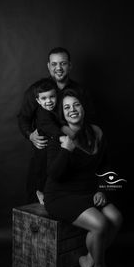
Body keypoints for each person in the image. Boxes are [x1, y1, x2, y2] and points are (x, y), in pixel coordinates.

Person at [43, 89, 123, 267]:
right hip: (60, 195)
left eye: (76, 105)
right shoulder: (58, 138)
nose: (72, 110)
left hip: (87, 191)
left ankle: (87, 259)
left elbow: (105, 166)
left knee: (116, 217)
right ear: (62, 113)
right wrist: (66, 149)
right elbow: (54, 175)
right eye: (67, 107)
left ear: (83, 107)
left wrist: (103, 189)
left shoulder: (96, 132)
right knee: (100, 223)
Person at [17, 47, 96, 203]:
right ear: (48, 66)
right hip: (44, 154)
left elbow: (89, 120)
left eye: (63, 63)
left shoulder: (80, 91)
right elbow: (23, 118)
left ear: (70, 66)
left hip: (73, 155)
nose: (58, 68)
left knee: (68, 199)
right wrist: (30, 135)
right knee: (39, 199)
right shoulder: (36, 90)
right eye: (54, 64)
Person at [33, 78, 75, 204]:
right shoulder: (42, 113)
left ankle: (55, 191)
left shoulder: (57, 110)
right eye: (44, 99)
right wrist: (63, 138)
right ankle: (40, 193)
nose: (49, 101)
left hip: (54, 147)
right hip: (43, 147)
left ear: (57, 96)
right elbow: (51, 128)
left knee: (56, 169)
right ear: (38, 101)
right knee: (43, 170)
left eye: (51, 97)